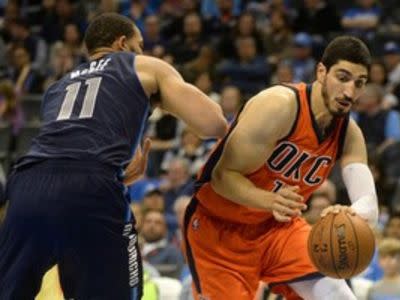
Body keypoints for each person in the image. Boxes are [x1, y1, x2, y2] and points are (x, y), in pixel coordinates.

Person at [0, 13, 227, 300]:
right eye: (139, 44)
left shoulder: (57, 87)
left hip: (27, 186)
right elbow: (213, 124)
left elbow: (73, 139)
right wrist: (161, 100)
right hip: (91, 186)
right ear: (122, 43)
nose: (142, 52)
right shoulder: (143, 65)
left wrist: (118, 164)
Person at [184, 36, 379, 299]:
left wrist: (349, 213)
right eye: (342, 78)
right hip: (218, 231)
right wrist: (269, 199)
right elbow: (221, 177)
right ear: (321, 71)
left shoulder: (349, 134)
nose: (349, 92)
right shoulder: (278, 106)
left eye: (359, 83)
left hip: (278, 230)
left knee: (339, 296)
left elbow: (369, 206)